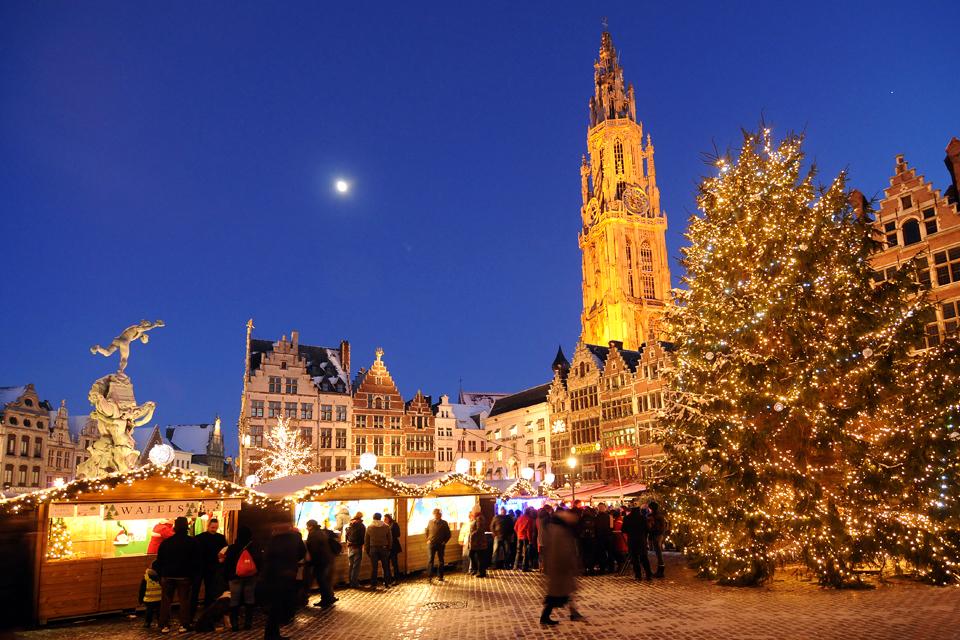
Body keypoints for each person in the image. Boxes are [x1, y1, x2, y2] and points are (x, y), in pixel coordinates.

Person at [540, 509, 585, 625]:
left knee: (564, 593)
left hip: (558, 567)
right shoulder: (559, 530)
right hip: (560, 567)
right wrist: (571, 565)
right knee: (557, 594)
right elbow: (562, 550)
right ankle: (545, 616)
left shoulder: (554, 528)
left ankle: (573, 612)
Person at [262, 523, 306, 640]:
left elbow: (267, 557)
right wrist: (292, 562)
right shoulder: (294, 537)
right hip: (285, 575)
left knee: (275, 605)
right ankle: (272, 634)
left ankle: (272, 634)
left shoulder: (273, 539)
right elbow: (302, 551)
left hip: (274, 576)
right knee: (278, 604)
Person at [156, 516, 197, 633]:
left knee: (166, 601)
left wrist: (161, 574)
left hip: (167, 575)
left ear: (175, 528)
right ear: (186, 528)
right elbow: (195, 560)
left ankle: (164, 625)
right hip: (184, 576)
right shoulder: (192, 542)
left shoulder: (166, 542)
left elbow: (159, 560)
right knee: (184, 601)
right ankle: (184, 625)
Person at [223, 525, 261, 632]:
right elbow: (259, 561)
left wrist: (227, 576)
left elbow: (227, 563)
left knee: (234, 600)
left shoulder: (232, 548)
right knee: (249, 599)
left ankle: (235, 624)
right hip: (251, 577)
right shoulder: (254, 547)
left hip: (235, 577)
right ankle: (248, 623)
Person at [192, 517, 228, 619]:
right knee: (198, 590)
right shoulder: (200, 537)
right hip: (202, 566)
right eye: (212, 527)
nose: (214, 529)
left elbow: (225, 550)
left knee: (209, 590)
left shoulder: (218, 537)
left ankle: (206, 611)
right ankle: (196, 610)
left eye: (215, 527)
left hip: (211, 567)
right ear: (208, 526)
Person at [305, 519, 336, 609]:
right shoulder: (321, 532)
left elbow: (314, 549)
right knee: (325, 580)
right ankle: (329, 597)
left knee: (322, 580)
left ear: (311, 526)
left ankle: (326, 600)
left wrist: (312, 562)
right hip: (326, 559)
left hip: (320, 561)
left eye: (307, 526)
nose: (307, 528)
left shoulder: (313, 534)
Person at [622, 502, 653, 581]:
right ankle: (648, 574)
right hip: (641, 540)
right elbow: (647, 529)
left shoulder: (627, 518)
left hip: (632, 540)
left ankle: (638, 575)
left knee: (634, 558)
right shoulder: (642, 518)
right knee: (644, 558)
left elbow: (623, 529)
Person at [364, 513, 392, 589]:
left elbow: (366, 540)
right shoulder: (386, 526)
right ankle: (387, 583)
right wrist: (389, 548)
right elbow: (390, 539)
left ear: (373, 518)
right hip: (384, 548)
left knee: (374, 567)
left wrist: (367, 550)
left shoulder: (369, 527)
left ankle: (373, 584)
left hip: (373, 548)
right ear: (380, 518)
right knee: (385, 566)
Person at [425, 508, 451, 582]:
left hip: (440, 544)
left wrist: (444, 541)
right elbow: (427, 531)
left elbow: (448, 534)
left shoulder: (444, 523)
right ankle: (429, 577)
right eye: (435, 514)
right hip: (431, 544)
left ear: (440, 515)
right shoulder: (430, 522)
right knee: (430, 560)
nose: (436, 515)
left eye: (438, 514)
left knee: (441, 560)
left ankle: (440, 576)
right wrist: (427, 539)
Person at [138, 560, 162, 629]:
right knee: (159, 611)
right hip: (159, 598)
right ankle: (160, 622)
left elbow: (142, 589)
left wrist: (140, 599)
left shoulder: (146, 578)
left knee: (149, 611)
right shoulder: (161, 576)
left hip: (149, 599)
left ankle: (147, 623)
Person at [345, 512, 366, 588]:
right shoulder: (361, 526)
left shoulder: (350, 524)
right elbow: (363, 537)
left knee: (351, 565)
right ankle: (354, 583)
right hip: (357, 546)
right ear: (361, 517)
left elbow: (346, 535)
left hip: (350, 547)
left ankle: (350, 581)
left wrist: (348, 542)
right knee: (356, 566)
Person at [648, 501, 667, 578]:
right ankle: (660, 569)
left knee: (658, 552)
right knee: (658, 552)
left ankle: (661, 570)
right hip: (659, 534)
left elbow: (656, 527)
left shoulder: (655, 516)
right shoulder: (659, 515)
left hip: (657, 535)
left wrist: (652, 528)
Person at [468, 508, 489, 578]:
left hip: (478, 542)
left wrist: (472, 534)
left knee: (480, 557)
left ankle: (481, 572)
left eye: (473, 511)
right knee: (472, 555)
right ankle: (476, 570)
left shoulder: (479, 518)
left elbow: (479, 529)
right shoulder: (476, 518)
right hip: (476, 542)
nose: (472, 512)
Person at [595, 503, 613, 574]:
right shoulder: (609, 516)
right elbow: (611, 527)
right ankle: (610, 568)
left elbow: (595, 527)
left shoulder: (596, 517)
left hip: (601, 537)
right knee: (609, 552)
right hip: (608, 536)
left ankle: (603, 568)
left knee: (602, 553)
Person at [384, 514, 403, 584]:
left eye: (385, 519)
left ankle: (396, 578)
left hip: (394, 546)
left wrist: (390, 535)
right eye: (384, 519)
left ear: (389, 518)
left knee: (394, 563)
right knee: (387, 563)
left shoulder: (394, 524)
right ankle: (389, 579)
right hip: (387, 546)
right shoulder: (385, 525)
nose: (384, 520)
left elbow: (398, 534)